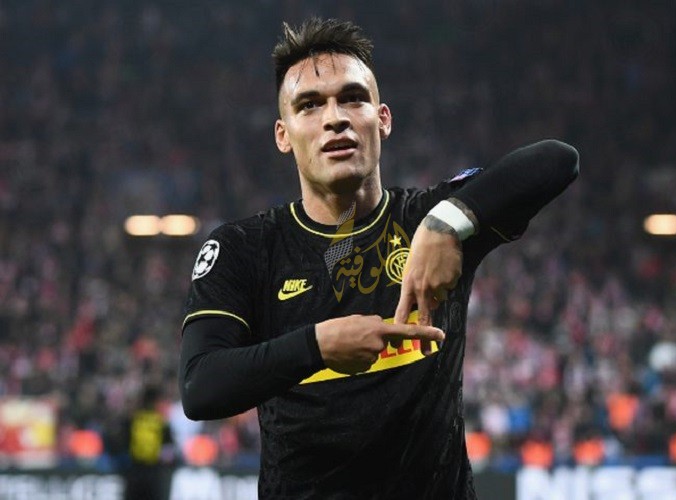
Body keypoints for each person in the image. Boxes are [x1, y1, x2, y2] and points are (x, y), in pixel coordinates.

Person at [179, 17, 579, 499]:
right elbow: (201, 387)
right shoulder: (245, 248)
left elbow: (558, 159)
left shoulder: (429, 219)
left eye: (352, 98)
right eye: (310, 105)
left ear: (383, 119)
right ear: (283, 135)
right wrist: (320, 346)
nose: (335, 118)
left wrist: (446, 223)